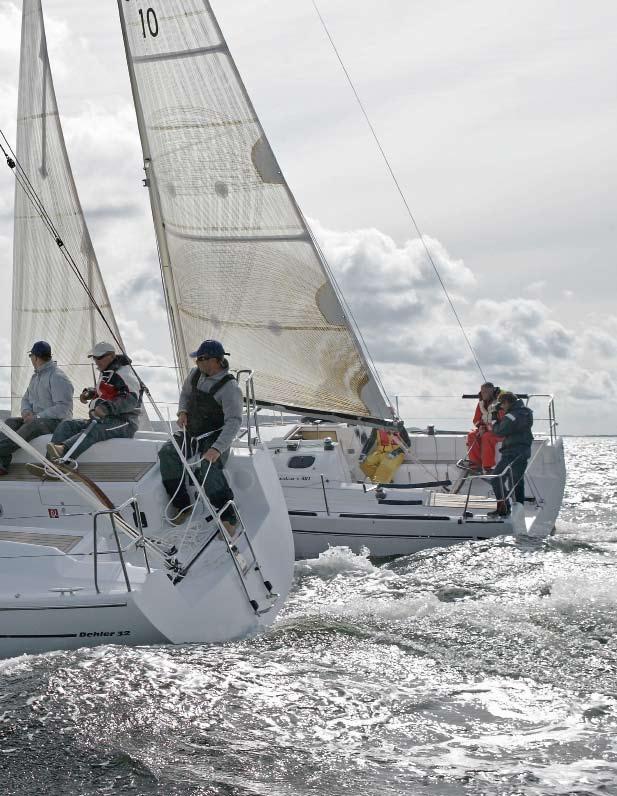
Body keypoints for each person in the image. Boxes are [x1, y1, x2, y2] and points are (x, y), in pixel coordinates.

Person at [158, 339, 243, 530]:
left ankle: (228, 516)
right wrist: (182, 412)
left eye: (201, 359)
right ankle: (182, 505)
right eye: (197, 359)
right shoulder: (195, 374)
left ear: (215, 360)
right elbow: (185, 395)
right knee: (167, 453)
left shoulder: (230, 388)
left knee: (208, 466)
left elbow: (234, 421)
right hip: (193, 432)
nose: (197, 362)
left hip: (216, 436)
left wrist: (216, 449)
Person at [27, 341, 141, 475]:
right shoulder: (108, 372)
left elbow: (130, 399)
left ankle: (63, 452)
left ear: (111, 356)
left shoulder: (124, 373)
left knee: (95, 431)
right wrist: (90, 393)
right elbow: (107, 392)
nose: (96, 361)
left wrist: (106, 408)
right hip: (104, 419)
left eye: (99, 357)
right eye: (94, 358)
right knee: (67, 425)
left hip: (124, 422)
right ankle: (50, 467)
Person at [0, 341, 73, 476]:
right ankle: (2, 465)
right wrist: (26, 411)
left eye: (31, 356)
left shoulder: (57, 377)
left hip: (55, 422)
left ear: (36, 357)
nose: (31, 359)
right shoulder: (35, 377)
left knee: (32, 425)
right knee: (10, 423)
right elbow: (26, 399)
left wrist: (37, 417)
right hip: (36, 418)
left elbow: (63, 408)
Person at [488, 391, 533, 518]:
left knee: (496, 479)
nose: (501, 407)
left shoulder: (512, 416)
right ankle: (519, 511)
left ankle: (504, 509)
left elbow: (499, 431)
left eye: (501, 404)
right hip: (523, 451)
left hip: (511, 452)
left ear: (507, 402)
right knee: (517, 481)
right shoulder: (526, 412)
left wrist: (494, 418)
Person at [463, 382, 503, 472]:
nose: (483, 394)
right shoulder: (481, 404)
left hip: (499, 431)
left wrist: (488, 428)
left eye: (485, 392)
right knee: (472, 435)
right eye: (482, 391)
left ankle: (488, 467)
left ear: (492, 391)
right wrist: (481, 427)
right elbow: (476, 419)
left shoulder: (501, 403)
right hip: (486, 429)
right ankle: (475, 465)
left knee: (487, 437)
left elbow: (503, 421)